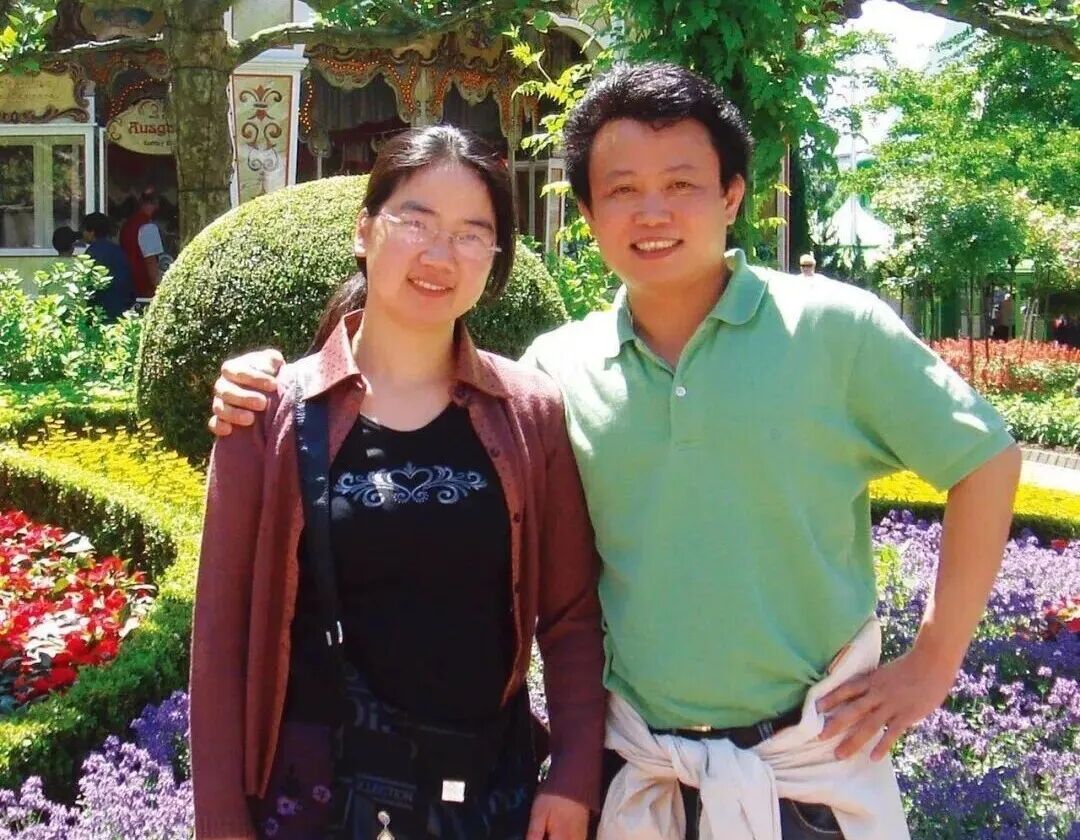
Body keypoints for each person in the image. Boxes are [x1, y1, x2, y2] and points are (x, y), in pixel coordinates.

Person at [208, 63, 1021, 839]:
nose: (652, 213)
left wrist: (932, 663)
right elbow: (227, 638)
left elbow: (985, 459)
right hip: (638, 773)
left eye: (682, 185)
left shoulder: (831, 331)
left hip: (806, 771)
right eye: (623, 190)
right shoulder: (559, 372)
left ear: (732, 196)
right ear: (589, 214)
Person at [190, 126, 606, 840]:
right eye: (416, 221)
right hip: (317, 800)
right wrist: (222, 825)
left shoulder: (528, 412)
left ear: (495, 259)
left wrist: (572, 775)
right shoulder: (270, 414)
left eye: (472, 234)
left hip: (484, 795)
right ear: (364, 230)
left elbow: (570, 615)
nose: (440, 255)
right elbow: (221, 640)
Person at [81, 212, 135, 321]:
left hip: (99, 310)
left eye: (84, 230)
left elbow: (87, 285)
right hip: (120, 307)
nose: (83, 234)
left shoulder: (91, 253)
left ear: (92, 232)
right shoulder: (118, 251)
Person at [120, 187, 166, 299]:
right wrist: (159, 289)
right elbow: (151, 261)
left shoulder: (127, 225)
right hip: (144, 287)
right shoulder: (148, 227)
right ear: (156, 203)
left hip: (128, 282)